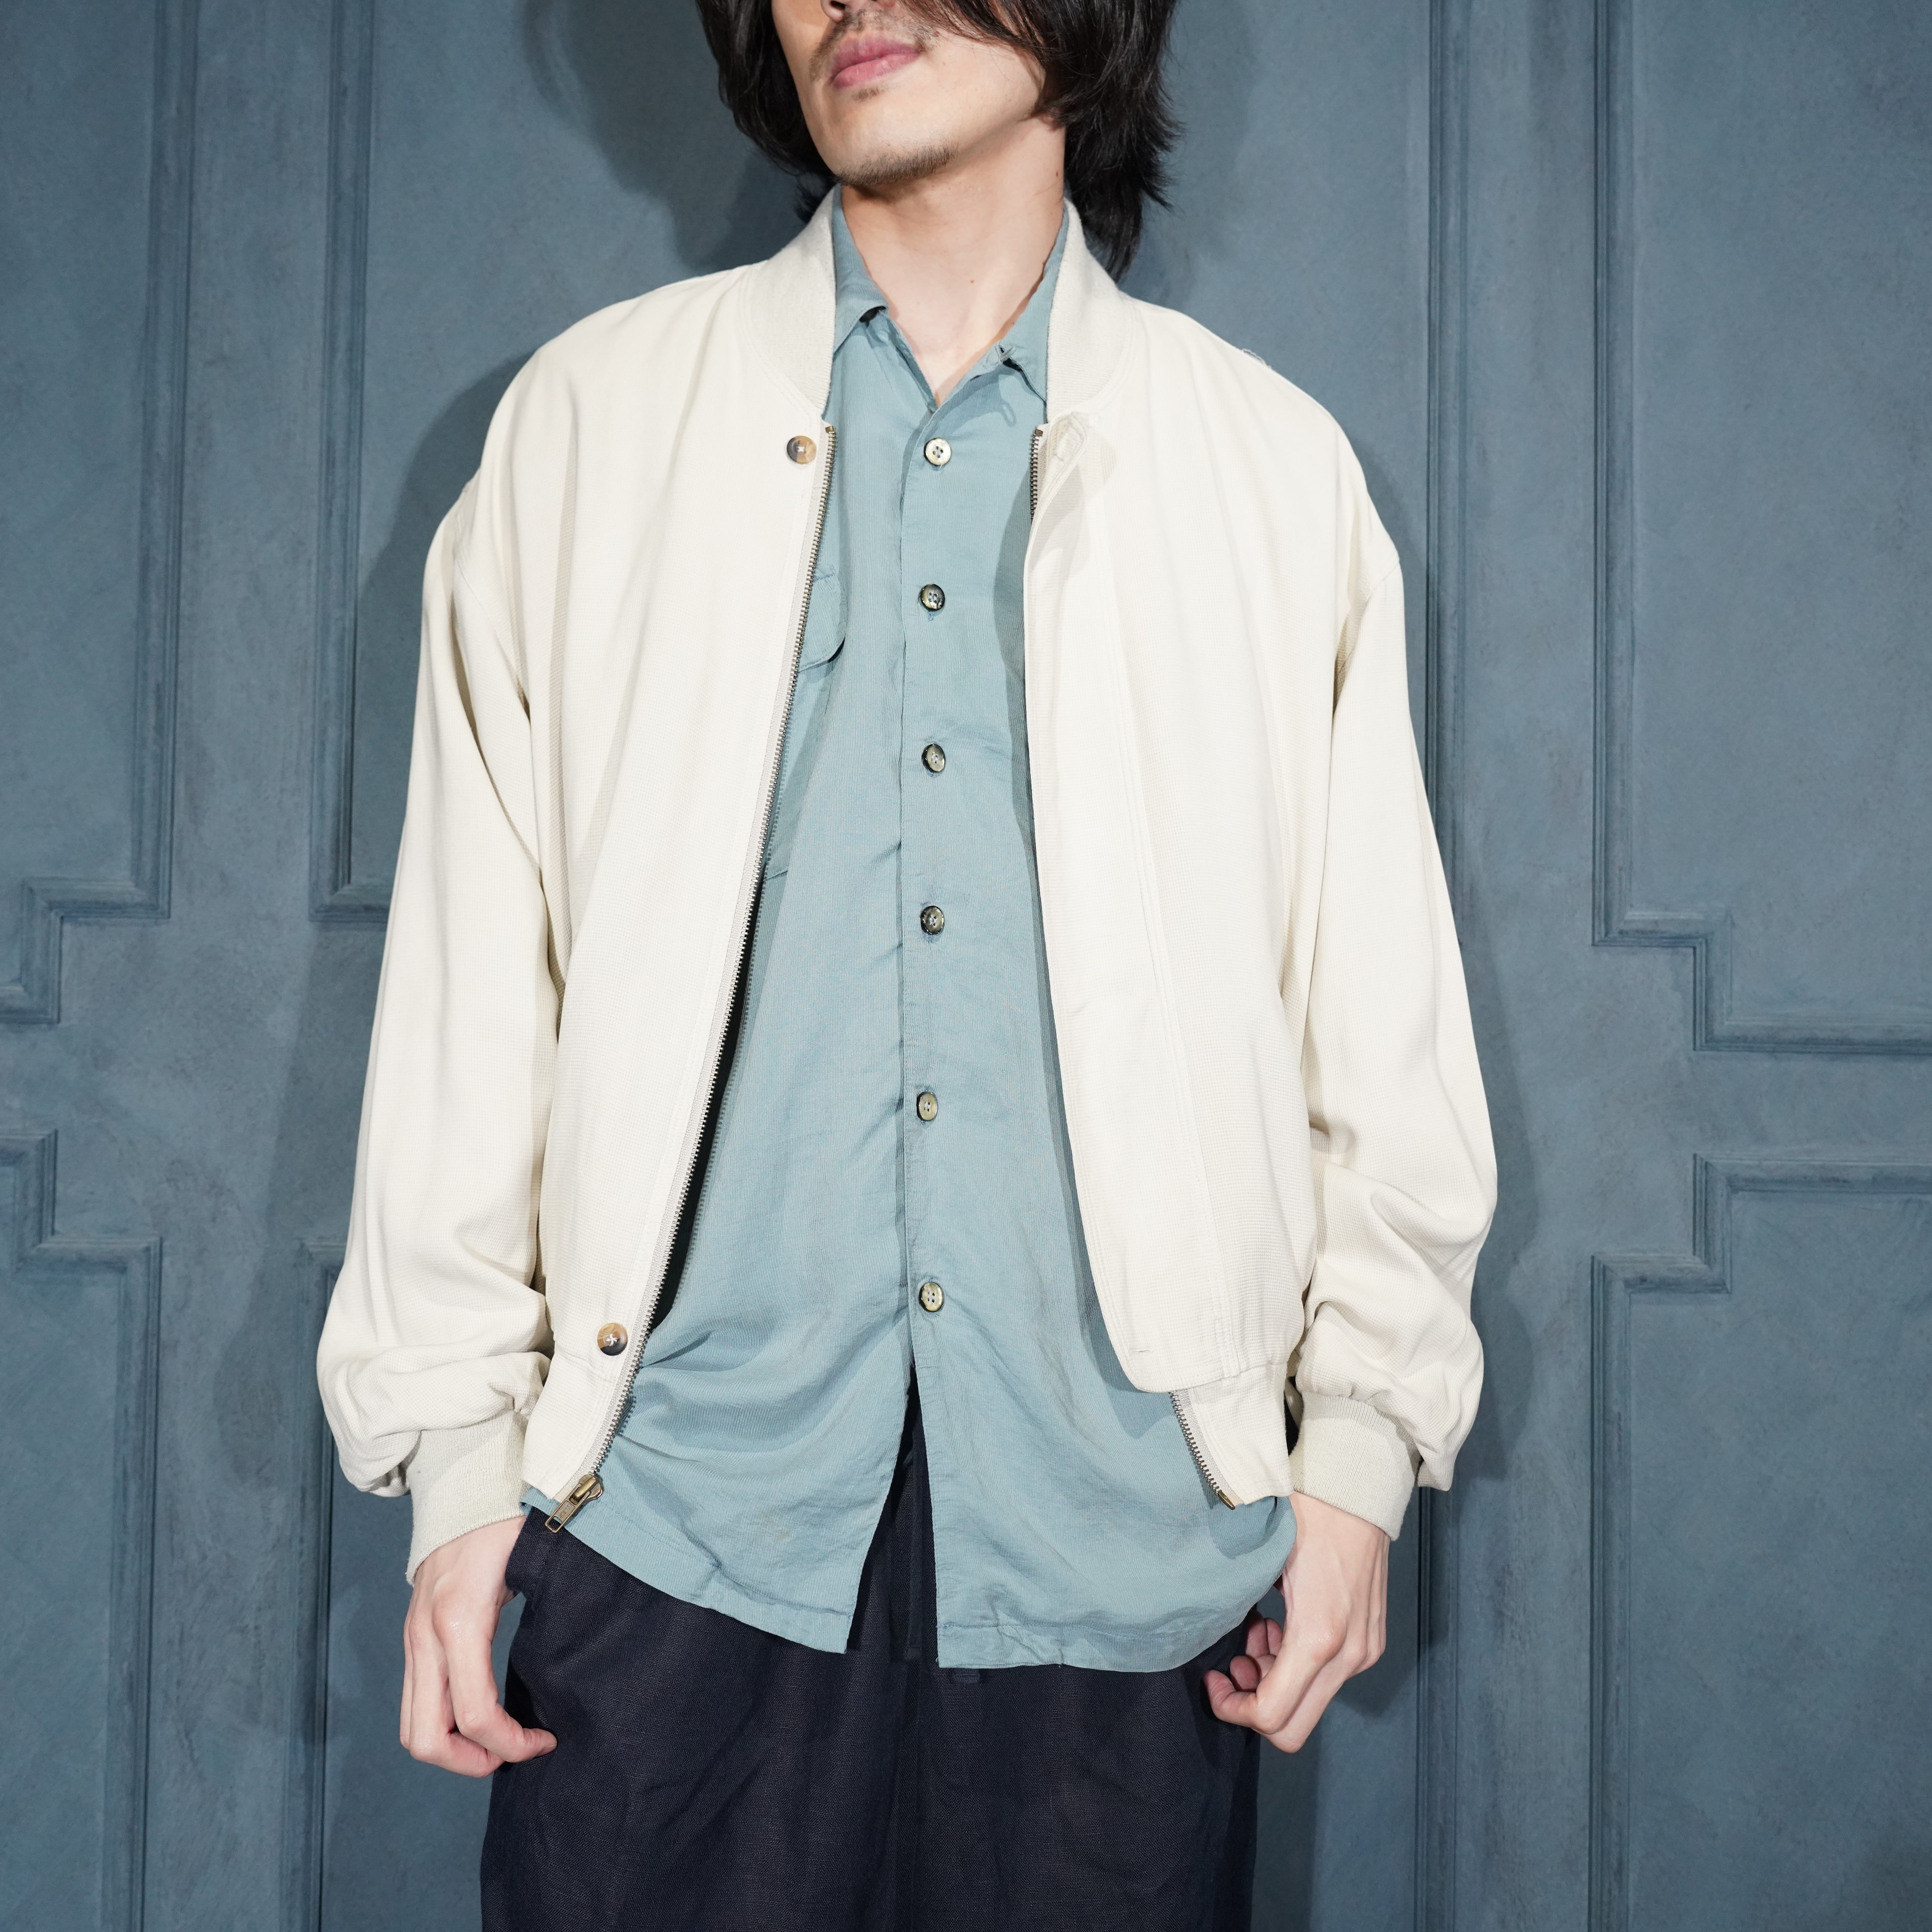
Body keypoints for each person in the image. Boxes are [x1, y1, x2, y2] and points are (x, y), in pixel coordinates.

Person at [316, 0, 1495, 1923]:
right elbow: (473, 993)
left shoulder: (1268, 476)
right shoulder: (590, 430)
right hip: (671, 1531)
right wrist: (454, 1470)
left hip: (1128, 1548)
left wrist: (1357, 1449)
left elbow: (1374, 1021)